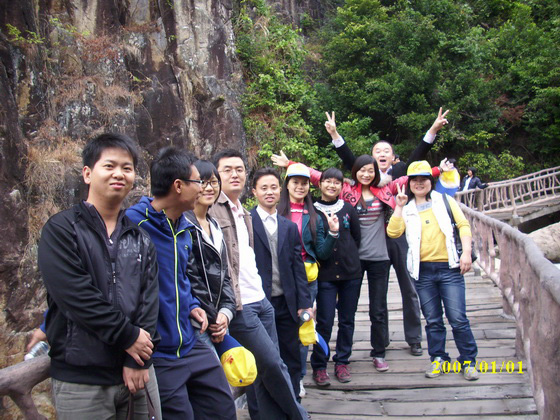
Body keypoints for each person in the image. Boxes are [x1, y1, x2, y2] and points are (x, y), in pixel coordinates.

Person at [271, 152, 446, 372]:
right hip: (339, 265)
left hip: (374, 258)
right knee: (327, 317)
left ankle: (372, 354)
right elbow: (317, 176)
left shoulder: (382, 191)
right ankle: (319, 364)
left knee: (373, 310)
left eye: (370, 170)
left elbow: (407, 180)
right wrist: (290, 163)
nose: (366, 174)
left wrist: (438, 170)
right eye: (362, 170)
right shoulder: (338, 195)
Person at [37, 133, 160, 419]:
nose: (119, 174)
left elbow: (149, 301)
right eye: (109, 166)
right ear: (87, 174)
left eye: (127, 168)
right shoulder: (62, 230)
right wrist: (128, 336)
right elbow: (76, 297)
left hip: (138, 373)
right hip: (82, 380)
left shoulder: (140, 237)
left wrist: (139, 360)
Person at [323, 108, 450, 356]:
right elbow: (345, 156)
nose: (381, 154)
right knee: (374, 297)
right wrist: (335, 134)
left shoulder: (399, 173)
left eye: (386, 151)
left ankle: (414, 338)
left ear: (393, 157)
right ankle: (381, 341)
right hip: (369, 242)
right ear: (370, 159)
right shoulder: (363, 175)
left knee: (408, 288)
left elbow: (419, 157)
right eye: (377, 151)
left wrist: (433, 130)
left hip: (398, 237)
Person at [126, 148, 237, 420]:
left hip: (191, 342)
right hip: (159, 353)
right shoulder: (134, 224)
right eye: (198, 181)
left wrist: (192, 304)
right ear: (178, 186)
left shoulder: (184, 228)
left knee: (223, 408)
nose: (203, 188)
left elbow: (179, 277)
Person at [209, 149, 309, 420]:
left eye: (239, 169)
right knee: (273, 365)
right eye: (227, 170)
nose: (234, 174)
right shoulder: (210, 210)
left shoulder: (243, 213)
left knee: (262, 370)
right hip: (240, 306)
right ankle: (299, 415)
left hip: (261, 300)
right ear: (216, 176)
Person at [387, 160, 479, 381]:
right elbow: (393, 232)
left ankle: (468, 361)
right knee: (433, 320)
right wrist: (399, 206)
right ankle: (438, 358)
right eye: (415, 180)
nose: (419, 184)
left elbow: (463, 225)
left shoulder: (444, 200)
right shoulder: (407, 208)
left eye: (423, 179)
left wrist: (466, 253)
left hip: (450, 268)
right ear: (409, 183)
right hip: (423, 272)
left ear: (431, 181)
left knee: (458, 318)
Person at [250, 167, 313, 401]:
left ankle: (294, 402)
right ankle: (263, 406)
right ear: (254, 191)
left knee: (291, 354)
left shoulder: (289, 226)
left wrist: (304, 303)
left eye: (273, 187)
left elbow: (298, 267)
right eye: (264, 188)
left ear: (280, 190)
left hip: (287, 302)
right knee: (262, 357)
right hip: (258, 302)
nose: (269, 192)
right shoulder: (246, 222)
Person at [276, 163, 339, 394]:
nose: (300, 187)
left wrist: (333, 233)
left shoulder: (314, 216)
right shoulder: (276, 211)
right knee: (281, 327)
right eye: (295, 182)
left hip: (308, 279)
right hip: (280, 278)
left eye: (304, 183)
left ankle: (299, 376)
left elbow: (321, 252)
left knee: (304, 327)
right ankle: (280, 374)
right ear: (287, 185)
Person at [310, 168, 362, 386]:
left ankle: (342, 361)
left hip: (351, 273)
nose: (332, 185)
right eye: (327, 181)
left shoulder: (348, 208)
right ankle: (319, 365)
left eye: (336, 182)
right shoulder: (312, 209)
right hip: (325, 275)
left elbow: (356, 237)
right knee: (324, 321)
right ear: (320, 184)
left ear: (342, 186)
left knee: (347, 320)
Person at [184, 160, 236, 348]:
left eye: (213, 182)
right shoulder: (184, 225)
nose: (209, 188)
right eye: (202, 182)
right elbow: (191, 277)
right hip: (197, 320)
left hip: (219, 320)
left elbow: (225, 274)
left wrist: (226, 312)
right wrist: (214, 317)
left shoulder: (215, 225)